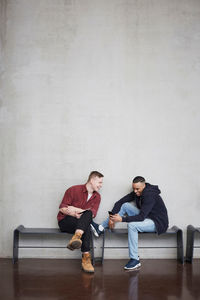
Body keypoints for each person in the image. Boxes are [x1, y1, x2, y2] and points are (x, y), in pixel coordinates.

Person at [91, 176, 168, 270]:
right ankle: (100, 228)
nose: (135, 191)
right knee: (125, 205)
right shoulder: (137, 192)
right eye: (134, 189)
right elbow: (119, 202)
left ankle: (135, 260)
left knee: (132, 225)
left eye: (137, 189)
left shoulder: (150, 195)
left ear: (144, 186)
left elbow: (141, 217)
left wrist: (122, 219)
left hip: (157, 222)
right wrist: (111, 218)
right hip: (147, 216)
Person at [57, 171, 104, 273]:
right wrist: (74, 214)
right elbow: (62, 208)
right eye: (99, 182)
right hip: (66, 221)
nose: (101, 185)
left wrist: (74, 208)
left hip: (81, 224)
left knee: (87, 219)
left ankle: (77, 236)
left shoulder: (97, 197)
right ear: (92, 180)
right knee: (86, 223)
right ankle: (86, 259)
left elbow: (92, 214)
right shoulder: (73, 190)